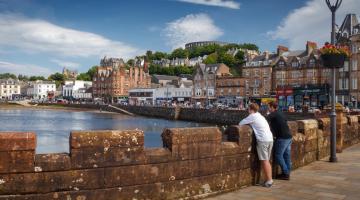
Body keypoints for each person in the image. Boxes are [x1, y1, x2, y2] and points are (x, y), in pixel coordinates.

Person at [239, 103, 274, 187]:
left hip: (263, 140)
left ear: (251, 109)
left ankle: (269, 180)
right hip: (270, 139)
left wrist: (249, 123)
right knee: (267, 160)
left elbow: (240, 123)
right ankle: (268, 179)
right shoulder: (260, 116)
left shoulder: (252, 116)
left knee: (265, 161)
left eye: (248, 109)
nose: (248, 110)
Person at [267, 101, 292, 180]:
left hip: (282, 138)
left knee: (278, 155)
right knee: (286, 155)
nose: (268, 108)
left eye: (268, 107)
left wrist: (268, 114)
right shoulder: (280, 113)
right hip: (288, 137)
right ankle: (287, 172)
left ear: (271, 107)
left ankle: (286, 173)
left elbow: (264, 119)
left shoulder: (273, 114)